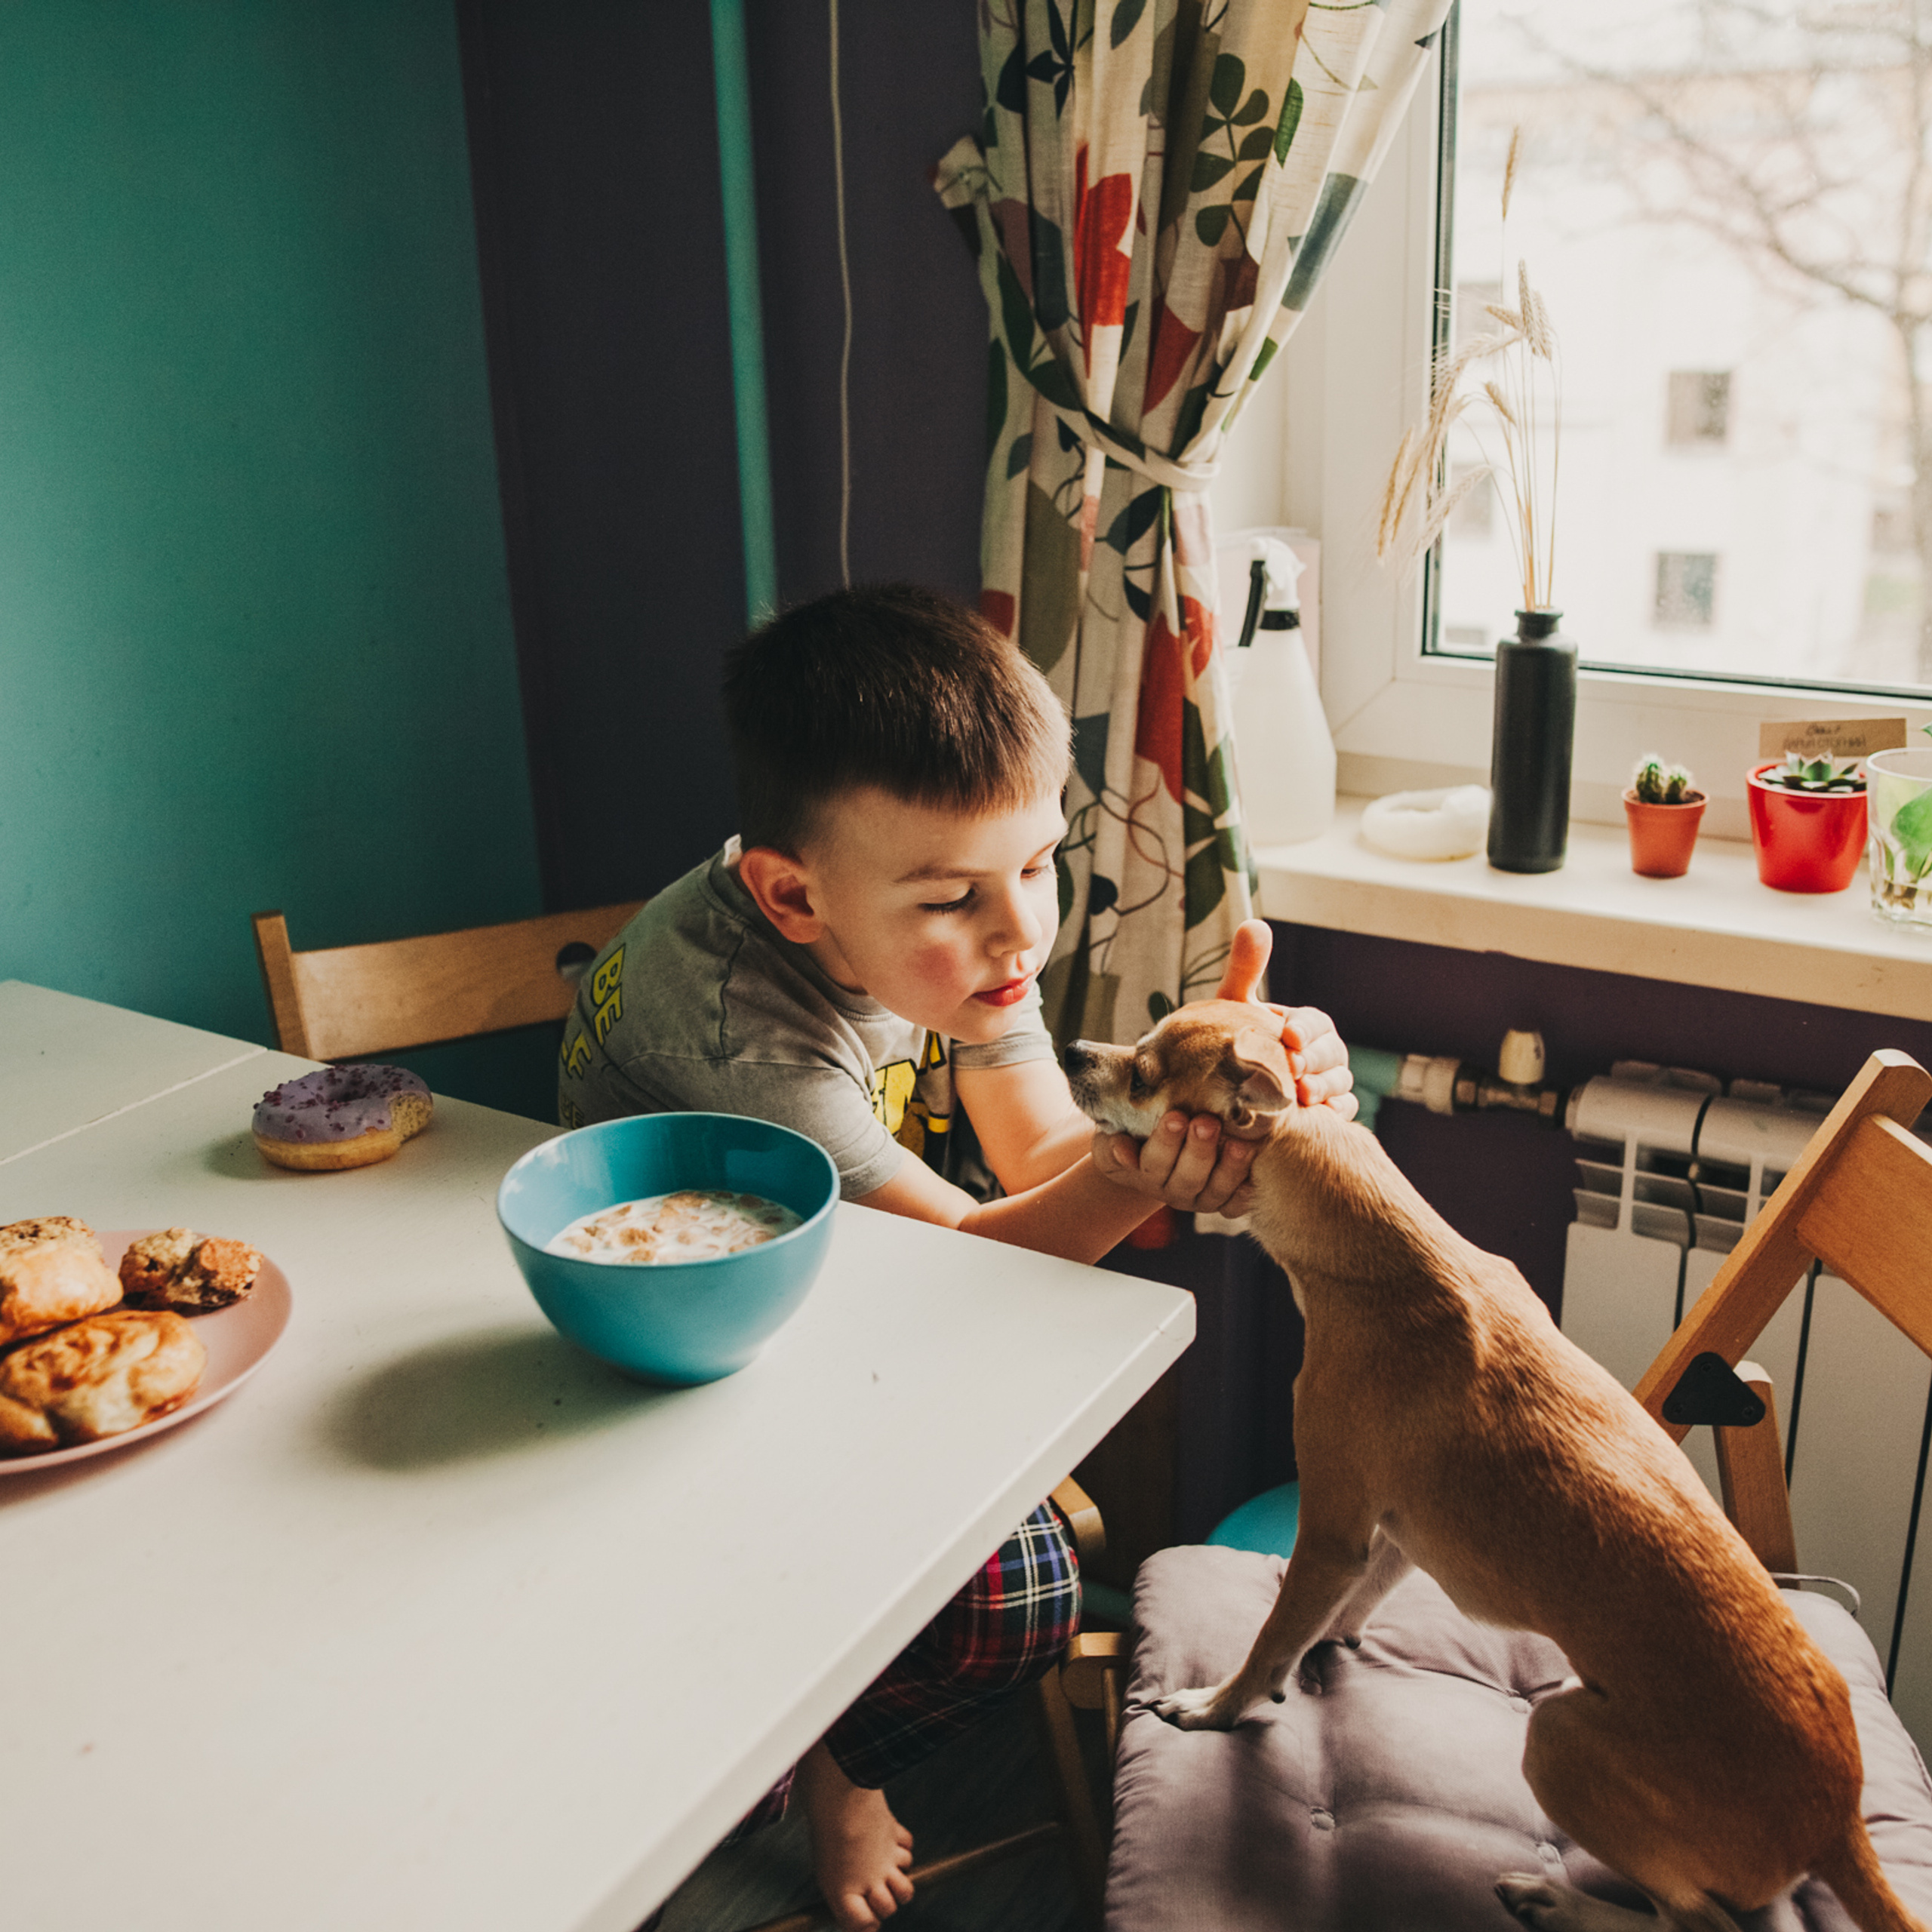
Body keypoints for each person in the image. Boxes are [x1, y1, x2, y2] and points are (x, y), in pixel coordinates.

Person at [560, 583, 1355, 1930]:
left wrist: (1201, 1090)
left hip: (845, 1296)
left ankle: (830, 1736)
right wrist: (1127, 1175)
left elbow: (1039, 1143)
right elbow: (973, 1269)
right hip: (663, 1355)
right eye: (956, 898)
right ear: (792, 897)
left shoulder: (935, 924)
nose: (1018, 932)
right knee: (1002, 1596)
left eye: (1039, 864)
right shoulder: (744, 1032)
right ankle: (817, 1763)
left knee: (1017, 1583)